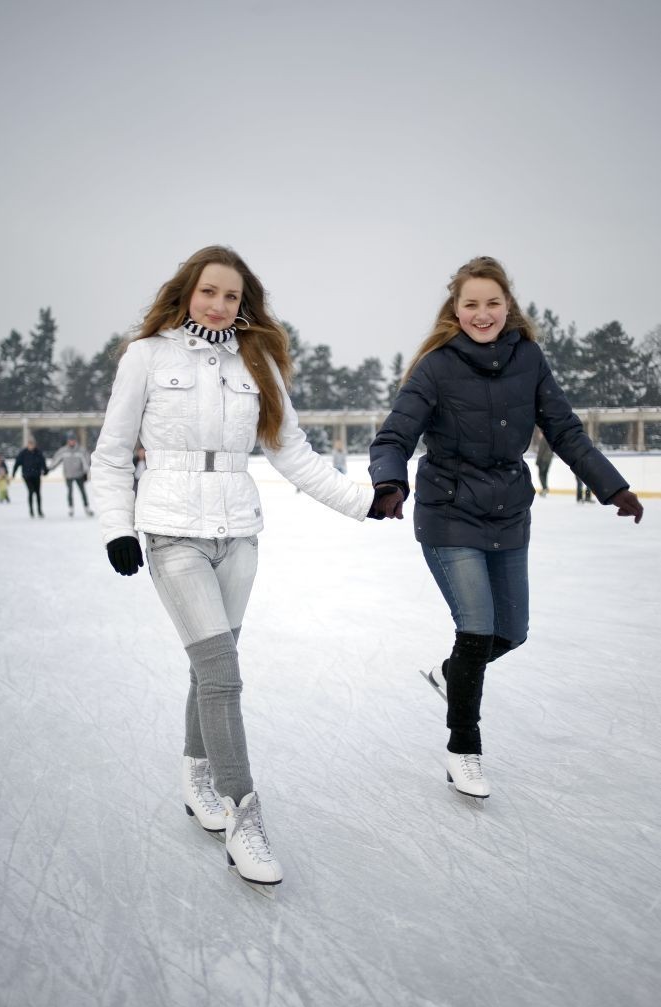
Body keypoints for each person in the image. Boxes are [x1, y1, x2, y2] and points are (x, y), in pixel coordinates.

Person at [91, 245, 375, 890]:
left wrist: (362, 503)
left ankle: (197, 774)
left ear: (245, 304)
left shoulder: (259, 360)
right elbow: (111, 454)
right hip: (172, 533)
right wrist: (116, 528)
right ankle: (245, 814)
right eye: (208, 292)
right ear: (187, 292)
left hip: (239, 535)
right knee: (222, 674)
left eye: (232, 296)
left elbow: (291, 453)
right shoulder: (147, 356)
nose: (219, 305)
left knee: (208, 665)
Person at [368, 256, 643, 799]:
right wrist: (388, 484)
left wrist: (612, 485)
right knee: (475, 628)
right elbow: (395, 435)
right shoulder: (436, 367)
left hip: (509, 511)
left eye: (493, 302)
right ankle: (462, 749)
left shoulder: (529, 359)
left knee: (510, 631)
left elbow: (564, 429)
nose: (483, 313)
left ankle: (451, 675)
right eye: (471, 303)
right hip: (448, 514)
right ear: (455, 309)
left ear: (508, 306)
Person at [49, 432, 94, 517]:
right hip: (68, 475)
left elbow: (86, 462)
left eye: (73, 440)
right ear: (68, 441)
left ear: (75, 441)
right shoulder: (63, 451)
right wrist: (49, 469)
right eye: (70, 440)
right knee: (69, 492)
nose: (72, 442)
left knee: (83, 492)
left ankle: (87, 508)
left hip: (79, 475)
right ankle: (71, 509)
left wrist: (85, 473)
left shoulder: (81, 450)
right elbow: (56, 460)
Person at [13, 437, 48, 517]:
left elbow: (43, 462)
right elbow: (17, 463)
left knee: (38, 493)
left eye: (32, 444)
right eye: (30, 444)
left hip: (36, 475)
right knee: (31, 491)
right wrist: (14, 473)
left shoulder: (38, 452)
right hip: (27, 476)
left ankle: (39, 510)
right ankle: (31, 510)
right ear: (28, 445)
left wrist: (45, 470)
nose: (31, 446)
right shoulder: (23, 453)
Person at [535, 431, 553, 496]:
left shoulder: (543, 439)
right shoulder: (550, 439)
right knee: (545, 474)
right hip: (548, 460)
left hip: (543, 460)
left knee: (541, 475)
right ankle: (544, 488)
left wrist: (537, 461)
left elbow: (541, 451)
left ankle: (545, 488)